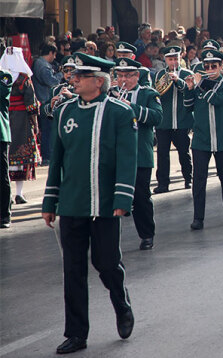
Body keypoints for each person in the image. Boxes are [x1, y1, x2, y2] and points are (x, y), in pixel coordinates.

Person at [41, 53, 137, 354]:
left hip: (105, 204)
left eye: (81, 77)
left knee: (106, 263)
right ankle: (76, 333)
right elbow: (57, 158)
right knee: (73, 270)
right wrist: (50, 200)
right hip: (71, 204)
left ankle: (121, 304)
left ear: (99, 81)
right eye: (74, 75)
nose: (74, 80)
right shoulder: (65, 111)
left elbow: (127, 158)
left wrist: (123, 198)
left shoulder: (120, 113)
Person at [185, 48, 223, 229]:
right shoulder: (199, 82)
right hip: (201, 139)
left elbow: (218, 100)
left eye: (213, 65)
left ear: (221, 66)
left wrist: (200, 86)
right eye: (206, 66)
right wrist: (189, 88)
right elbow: (187, 106)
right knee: (199, 179)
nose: (209, 69)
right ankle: (198, 217)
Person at [112, 59, 162, 250]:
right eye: (120, 76)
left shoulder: (148, 94)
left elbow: (157, 117)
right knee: (114, 197)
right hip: (117, 155)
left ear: (136, 76)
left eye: (127, 76)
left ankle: (147, 234)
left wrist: (130, 107)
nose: (123, 80)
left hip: (140, 154)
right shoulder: (111, 94)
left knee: (141, 197)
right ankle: (111, 238)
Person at [1, 47, 40, 204]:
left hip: (3, 118)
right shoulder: (24, 79)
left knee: (5, 159)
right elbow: (31, 104)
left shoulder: (2, 77)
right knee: (20, 157)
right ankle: (18, 193)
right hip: (21, 120)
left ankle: (8, 196)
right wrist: (35, 123)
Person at [153, 47, 194, 193]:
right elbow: (156, 94)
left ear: (180, 58)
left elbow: (190, 91)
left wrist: (179, 81)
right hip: (164, 122)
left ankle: (188, 179)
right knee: (162, 154)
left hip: (182, 121)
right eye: (170, 59)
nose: (173, 62)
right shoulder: (159, 75)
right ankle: (163, 183)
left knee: (184, 152)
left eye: (175, 58)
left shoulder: (187, 74)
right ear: (165, 60)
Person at [33, 44, 60, 166]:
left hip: (43, 100)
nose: (54, 57)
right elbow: (51, 81)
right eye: (54, 54)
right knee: (47, 131)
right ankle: (47, 157)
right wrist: (61, 75)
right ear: (50, 53)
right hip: (44, 102)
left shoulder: (39, 63)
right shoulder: (43, 66)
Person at [0, 69, 11, 228]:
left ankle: (4, 215)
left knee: (1, 176)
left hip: (0, 134)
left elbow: (3, 92)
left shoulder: (4, 76)